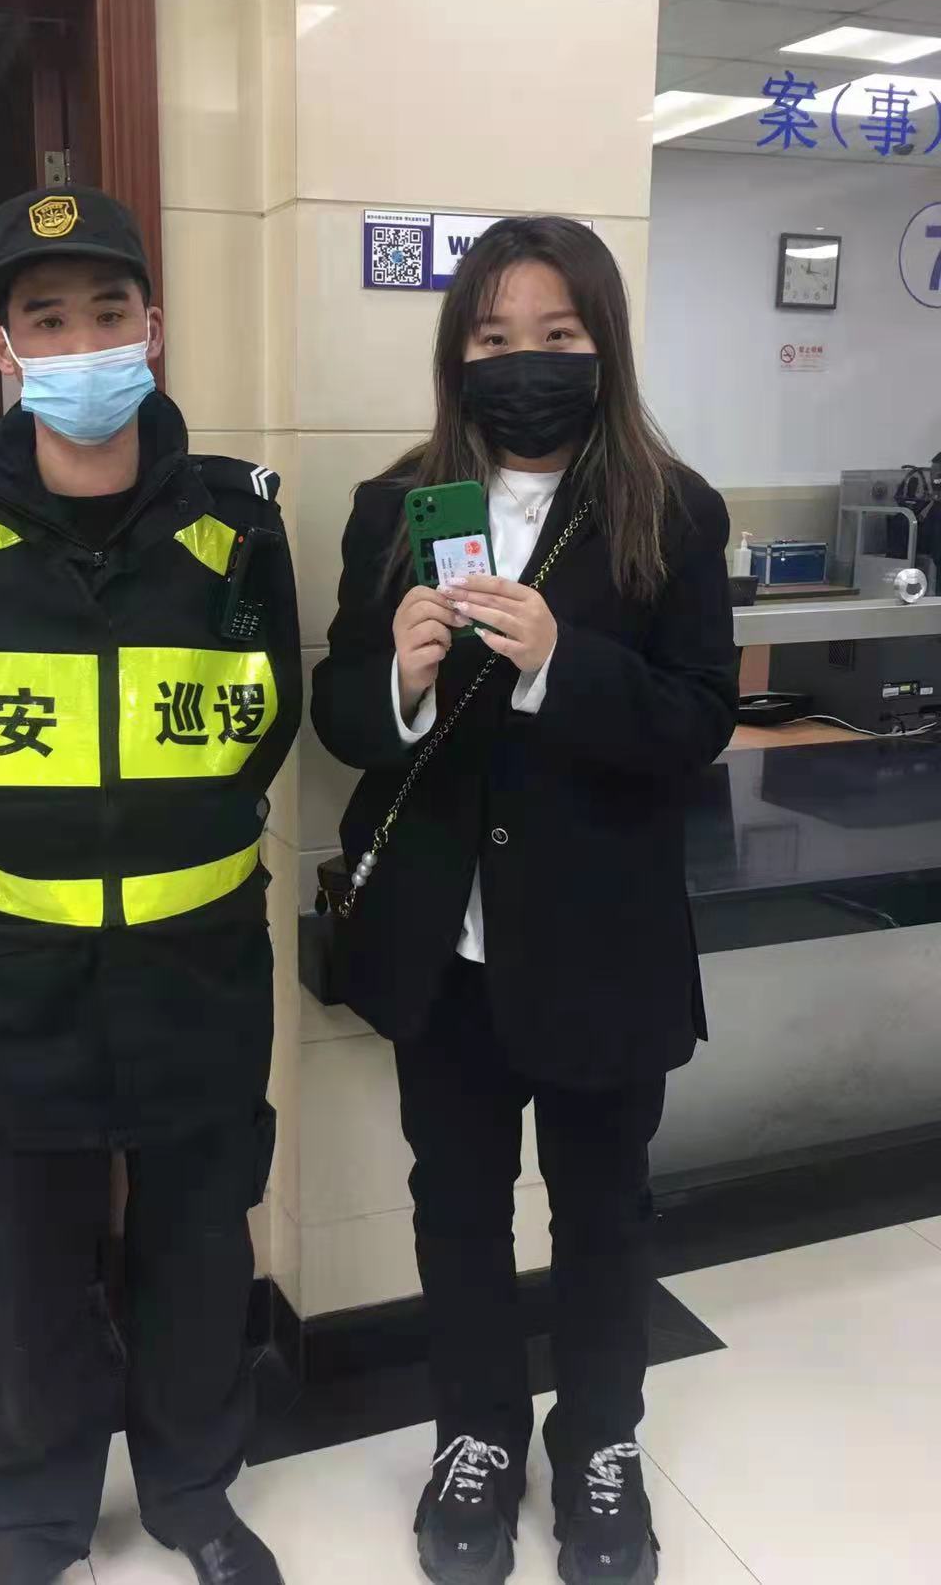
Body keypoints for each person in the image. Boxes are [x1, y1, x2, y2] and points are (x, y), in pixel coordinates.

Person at [0, 187, 300, 1585]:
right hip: (10, 980)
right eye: (45, 319)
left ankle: (192, 1494)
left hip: (196, 971)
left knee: (199, 1252)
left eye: (106, 312)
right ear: (3, 350)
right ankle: (37, 1521)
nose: (80, 344)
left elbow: (267, 723)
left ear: (153, 329)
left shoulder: (238, 525)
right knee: (22, 1271)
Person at [310, 218, 736, 1585]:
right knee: (456, 1207)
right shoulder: (396, 506)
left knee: (605, 1213)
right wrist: (399, 678)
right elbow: (339, 713)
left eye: (557, 335)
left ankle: (601, 1441)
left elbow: (700, 721)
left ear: (604, 346)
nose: (525, 363)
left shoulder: (673, 511)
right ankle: (477, 1434)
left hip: (603, 945)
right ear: (459, 355)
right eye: (494, 338)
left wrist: (562, 663)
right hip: (446, 952)